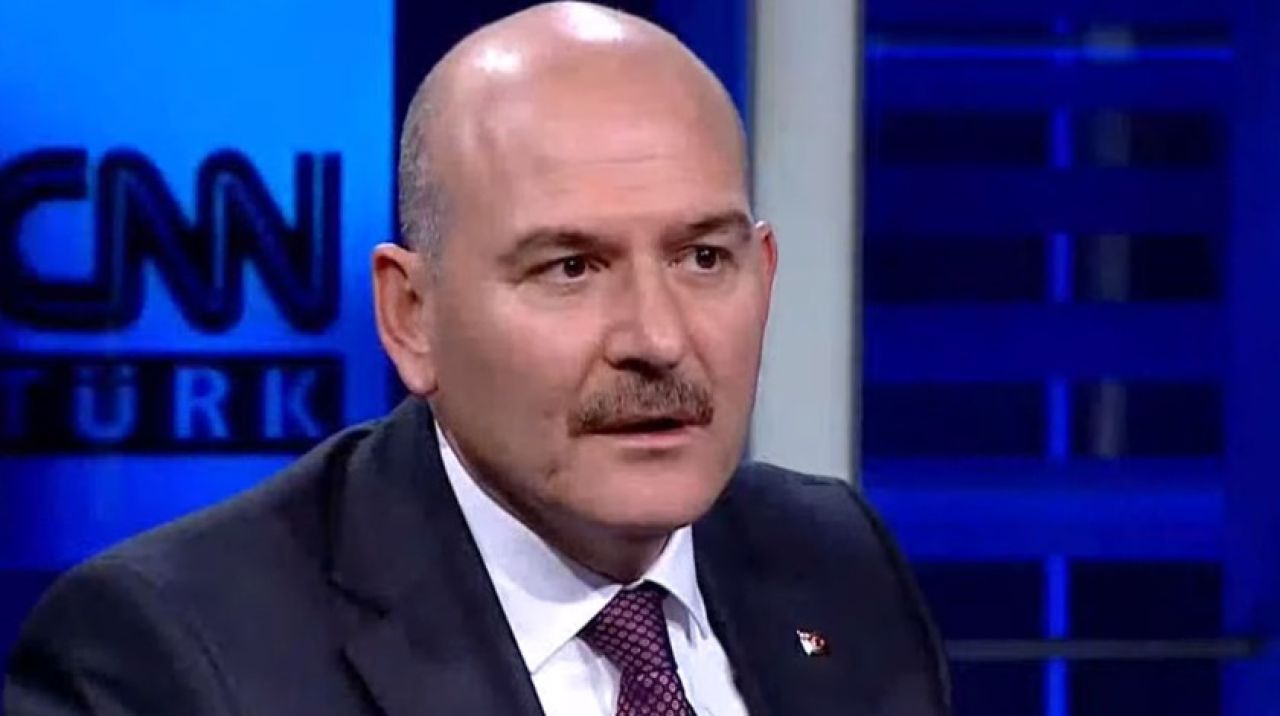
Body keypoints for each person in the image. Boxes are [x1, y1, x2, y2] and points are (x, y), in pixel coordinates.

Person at [4, 3, 949, 714]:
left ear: (766, 275)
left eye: (703, 258)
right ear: (411, 316)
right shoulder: (171, 657)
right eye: (572, 268)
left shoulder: (836, 561)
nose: (658, 339)